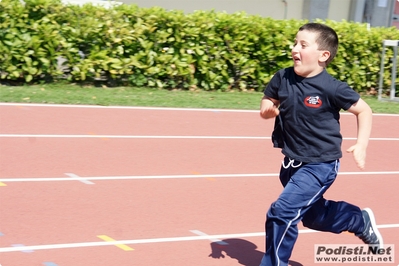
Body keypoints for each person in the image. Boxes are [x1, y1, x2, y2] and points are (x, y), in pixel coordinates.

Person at [259, 22, 383, 266]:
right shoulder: (282, 77)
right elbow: (268, 99)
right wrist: (267, 111)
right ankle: (358, 221)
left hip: (320, 164)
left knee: (281, 212)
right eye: (295, 42)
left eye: (303, 45)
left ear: (323, 55)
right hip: (291, 163)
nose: (295, 48)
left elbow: (364, 110)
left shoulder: (332, 87)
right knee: (314, 218)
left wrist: (361, 145)